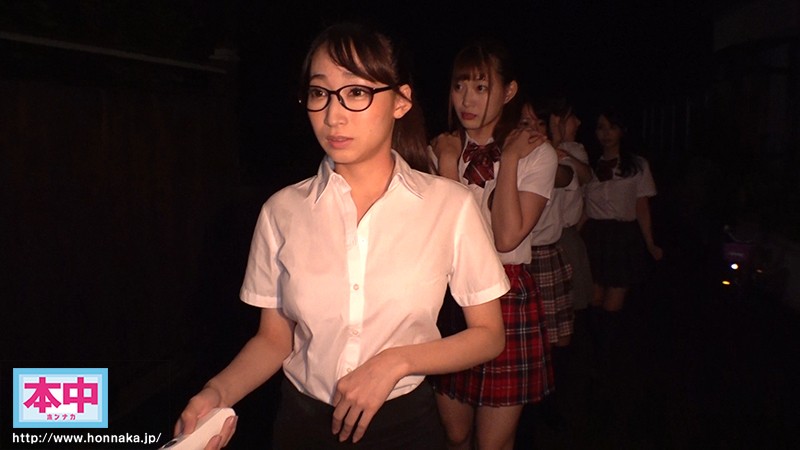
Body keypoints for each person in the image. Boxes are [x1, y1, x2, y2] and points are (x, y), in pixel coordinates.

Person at [173, 23, 510, 450]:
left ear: (401, 101)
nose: (333, 115)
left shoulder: (450, 206)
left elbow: (489, 334)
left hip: (405, 426)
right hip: (301, 425)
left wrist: (396, 362)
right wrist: (217, 392)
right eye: (320, 93)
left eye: (356, 92)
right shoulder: (281, 211)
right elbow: (274, 339)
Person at [430, 40, 557, 450]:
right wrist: (447, 163)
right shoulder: (442, 150)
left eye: (481, 87)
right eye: (459, 86)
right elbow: (443, 240)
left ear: (509, 91)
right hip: (449, 295)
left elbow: (506, 237)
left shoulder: (536, 154)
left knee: (492, 444)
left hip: (506, 295)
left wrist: (511, 160)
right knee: (455, 434)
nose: (467, 100)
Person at [582, 107, 663, 358]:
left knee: (613, 300)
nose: (606, 133)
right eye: (601, 127)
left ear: (622, 131)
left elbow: (642, 206)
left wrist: (650, 243)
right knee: (593, 298)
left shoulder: (637, 165)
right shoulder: (588, 165)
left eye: (612, 127)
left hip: (622, 236)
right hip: (594, 235)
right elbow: (583, 208)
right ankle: (596, 353)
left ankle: (606, 356)